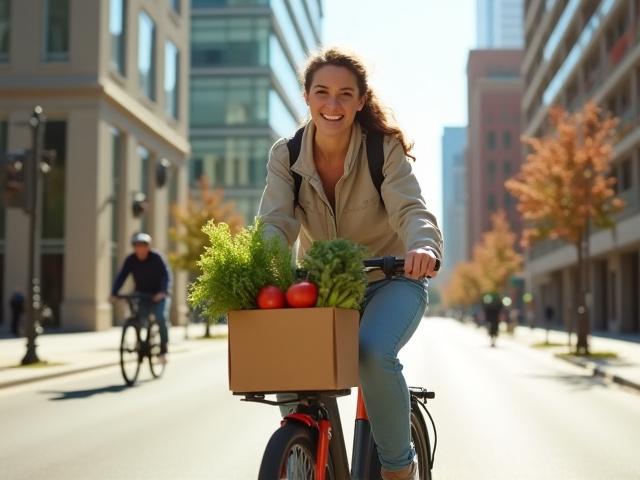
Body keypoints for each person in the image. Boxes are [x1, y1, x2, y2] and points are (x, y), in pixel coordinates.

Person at [257, 47, 442, 480]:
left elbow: (411, 209)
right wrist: (261, 269)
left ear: (361, 100)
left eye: (345, 94)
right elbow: (275, 221)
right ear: (306, 96)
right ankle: (306, 447)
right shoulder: (287, 155)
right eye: (322, 92)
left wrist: (424, 247)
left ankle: (399, 468)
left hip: (392, 277)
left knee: (373, 351)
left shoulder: (383, 148)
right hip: (323, 286)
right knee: (290, 357)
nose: (332, 104)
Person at [110, 233, 172, 362]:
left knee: (160, 317)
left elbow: (165, 276)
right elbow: (122, 276)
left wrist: (162, 292)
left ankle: (163, 348)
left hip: (158, 295)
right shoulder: (131, 260)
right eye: (137, 246)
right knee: (139, 318)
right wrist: (114, 293)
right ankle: (141, 344)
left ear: (148, 247)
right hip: (142, 294)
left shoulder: (156, 258)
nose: (140, 249)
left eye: (143, 246)